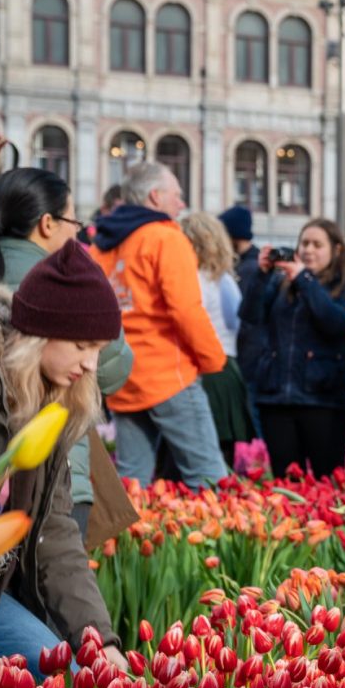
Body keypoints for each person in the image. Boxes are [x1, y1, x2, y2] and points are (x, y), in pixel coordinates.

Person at [0, 242, 130, 674]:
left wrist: (98, 638)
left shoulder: (54, 401)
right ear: (40, 333)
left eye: (99, 348)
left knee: (72, 679)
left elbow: (55, 531)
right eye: (81, 345)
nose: (92, 364)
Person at [0, 167, 135, 536]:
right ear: (47, 224)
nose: (77, 231)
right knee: (52, 578)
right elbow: (112, 370)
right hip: (59, 470)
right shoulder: (78, 291)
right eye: (73, 220)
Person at [89, 162, 229, 487]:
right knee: (209, 481)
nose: (181, 204)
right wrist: (214, 360)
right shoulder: (165, 238)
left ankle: (122, 540)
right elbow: (186, 310)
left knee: (131, 483)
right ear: (155, 196)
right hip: (169, 375)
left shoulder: (101, 246)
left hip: (124, 377)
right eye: (177, 195)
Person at [240, 218, 345, 478]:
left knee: (326, 482)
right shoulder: (281, 282)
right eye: (304, 243)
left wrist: (305, 280)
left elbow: (335, 323)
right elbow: (250, 315)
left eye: (317, 244)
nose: (308, 250)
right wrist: (262, 275)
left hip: (323, 400)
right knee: (286, 484)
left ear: (336, 250)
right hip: (277, 399)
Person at [179, 212, 251, 471]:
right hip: (227, 367)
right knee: (221, 457)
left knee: (198, 460)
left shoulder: (194, 278)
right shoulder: (224, 278)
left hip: (206, 368)